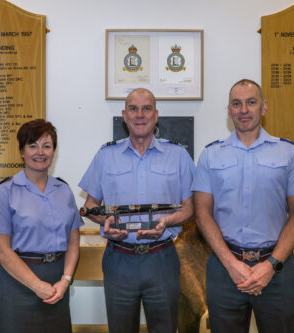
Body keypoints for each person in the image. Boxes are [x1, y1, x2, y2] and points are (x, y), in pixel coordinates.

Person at [192, 79, 294, 333]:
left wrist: (270, 265)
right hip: (225, 270)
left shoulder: (289, 153)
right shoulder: (211, 155)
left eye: (251, 102)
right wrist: (230, 263)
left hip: (276, 270)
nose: (243, 109)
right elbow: (202, 214)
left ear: (264, 107)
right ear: (228, 110)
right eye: (236, 104)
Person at [79, 88, 195, 333]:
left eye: (146, 108)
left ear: (156, 114)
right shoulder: (105, 155)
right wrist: (106, 222)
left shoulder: (178, 155)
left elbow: (191, 208)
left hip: (162, 259)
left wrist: (168, 220)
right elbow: (90, 205)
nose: (140, 114)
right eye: (133, 108)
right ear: (124, 115)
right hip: (119, 259)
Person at [0, 119, 83, 333]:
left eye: (47, 146)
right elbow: (0, 250)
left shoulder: (64, 191)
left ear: (53, 151)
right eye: (32, 145)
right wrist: (37, 286)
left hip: (57, 284)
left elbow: (73, 241)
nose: (40, 152)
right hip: (17, 283)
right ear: (21, 151)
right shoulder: (5, 192)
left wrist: (65, 280)